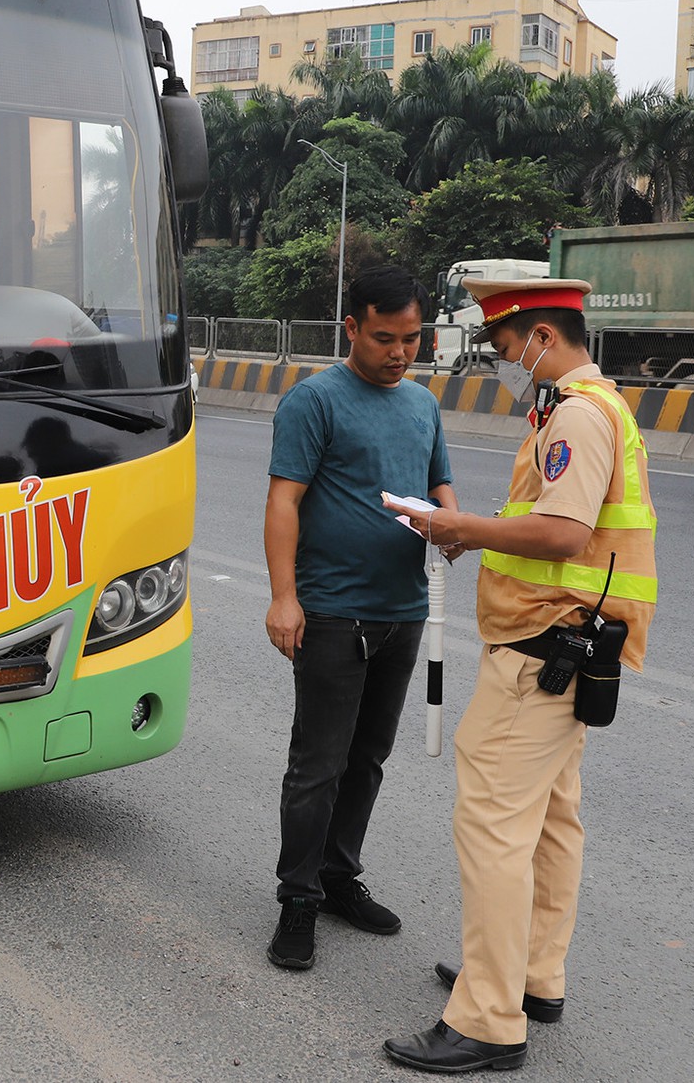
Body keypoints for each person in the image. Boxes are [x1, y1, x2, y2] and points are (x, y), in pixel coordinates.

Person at [382, 278, 657, 1074]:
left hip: (545, 648)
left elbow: (564, 532)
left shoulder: (576, 413)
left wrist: (459, 526)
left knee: (495, 831)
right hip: (575, 644)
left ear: (541, 334)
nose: (504, 363)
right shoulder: (596, 405)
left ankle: (488, 1018)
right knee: (551, 822)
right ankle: (534, 976)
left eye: (506, 349)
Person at [263, 263, 460, 972]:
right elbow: (284, 500)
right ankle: (298, 897)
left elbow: (438, 479)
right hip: (333, 613)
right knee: (318, 764)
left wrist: (452, 521)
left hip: (403, 611)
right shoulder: (314, 401)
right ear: (351, 327)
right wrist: (285, 597)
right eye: (384, 337)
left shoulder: (422, 403)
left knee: (368, 759)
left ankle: (340, 877)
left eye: (411, 338)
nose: (400, 352)